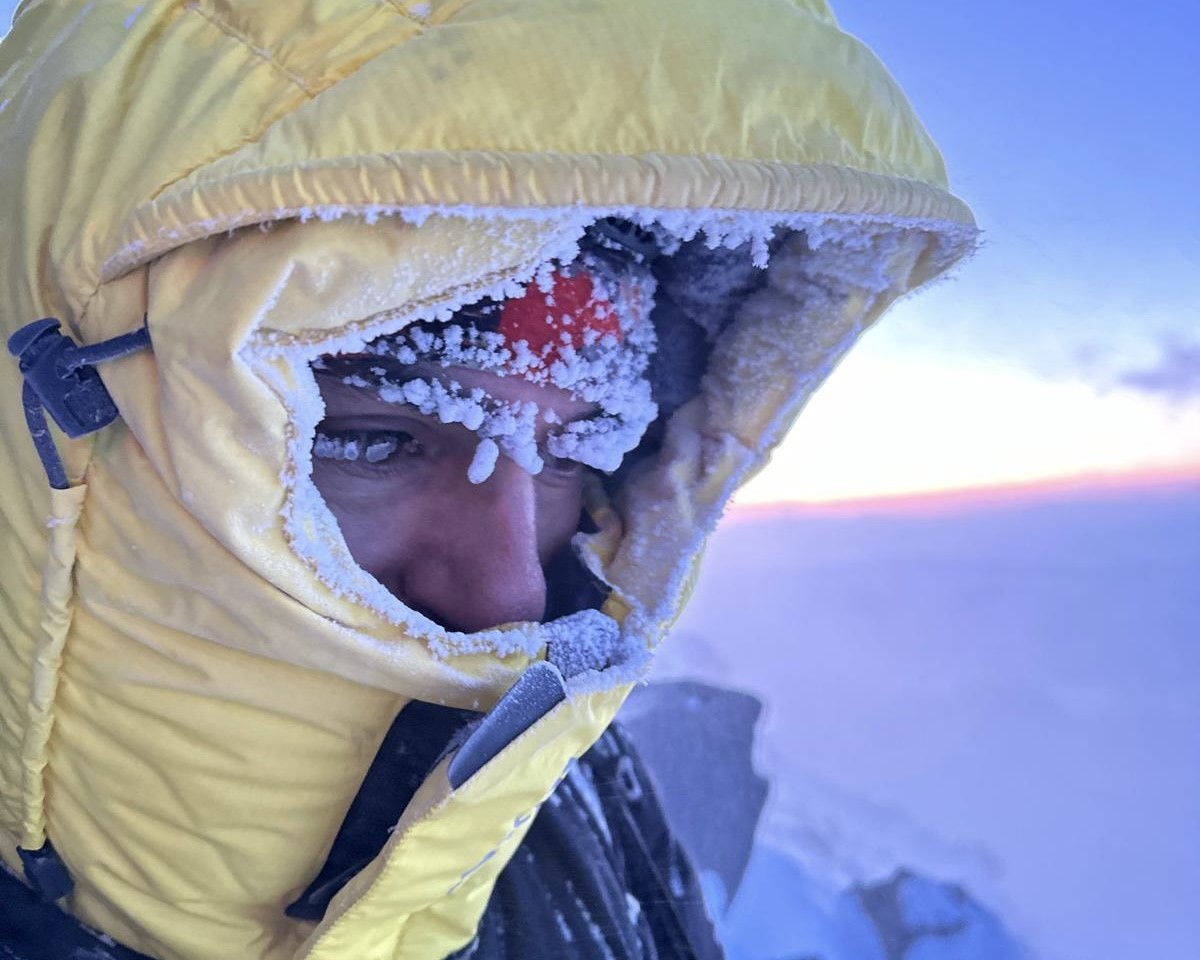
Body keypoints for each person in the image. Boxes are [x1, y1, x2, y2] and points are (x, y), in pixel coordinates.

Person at [0, 1, 977, 959]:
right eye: (372, 442)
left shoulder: (549, 780)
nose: (515, 592)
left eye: (571, 453)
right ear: (57, 416)